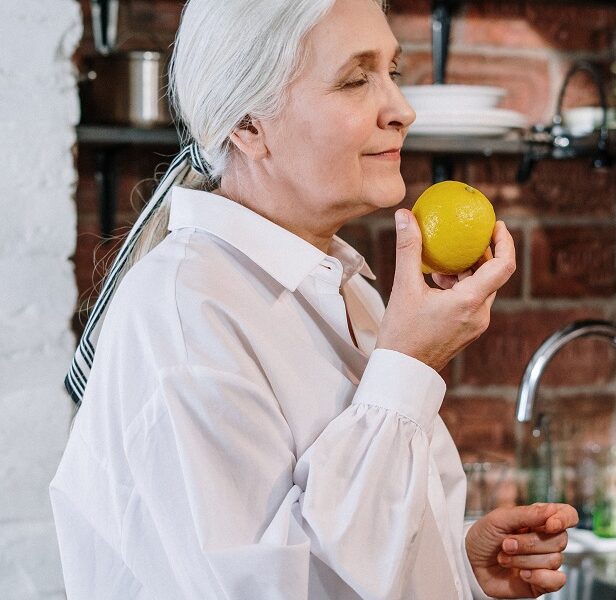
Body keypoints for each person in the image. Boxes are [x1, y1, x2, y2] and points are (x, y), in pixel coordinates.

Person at [50, 0, 578, 598]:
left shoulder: (346, 289)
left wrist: (454, 565)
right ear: (249, 125)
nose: (402, 109)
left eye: (392, 73)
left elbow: (340, 546)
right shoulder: (185, 312)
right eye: (356, 80)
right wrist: (408, 366)